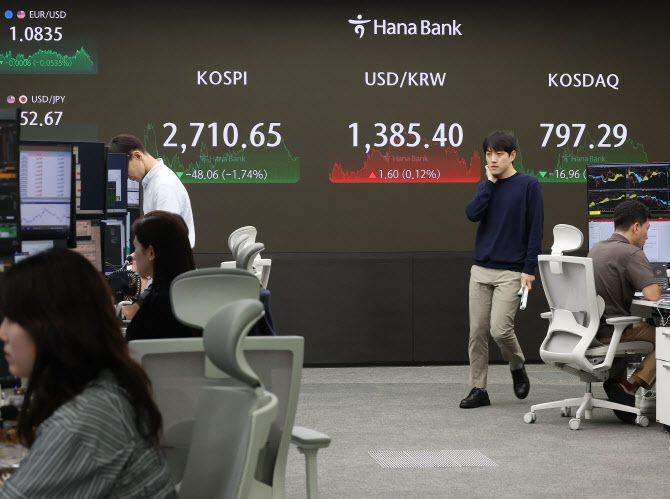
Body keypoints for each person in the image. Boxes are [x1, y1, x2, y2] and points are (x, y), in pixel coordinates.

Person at [0, 249, 176, 497]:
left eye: (13, 319)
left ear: (54, 324)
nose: (2, 332)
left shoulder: (84, 420)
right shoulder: (109, 388)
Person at [460, 130, 544, 409]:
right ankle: (478, 388)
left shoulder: (529, 185)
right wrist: (488, 184)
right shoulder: (487, 186)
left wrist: (529, 268)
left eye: (499, 154)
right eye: (488, 154)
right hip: (481, 269)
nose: (493, 159)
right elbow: (472, 214)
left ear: (512, 155)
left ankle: (517, 364)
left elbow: (535, 230)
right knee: (477, 332)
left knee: (500, 330)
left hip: (511, 272)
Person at [588, 199, 659, 422]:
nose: (647, 236)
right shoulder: (631, 253)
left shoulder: (595, 249)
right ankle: (630, 385)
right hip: (612, 332)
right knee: (667, 337)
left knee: (640, 324)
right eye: (647, 229)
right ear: (636, 227)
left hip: (591, 331)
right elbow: (653, 295)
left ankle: (618, 385)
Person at [124, 211, 201, 341]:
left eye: (136, 247)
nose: (134, 255)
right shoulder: (199, 298)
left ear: (151, 253)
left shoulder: (154, 307)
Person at [109, 134, 196, 247]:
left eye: (126, 170)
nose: (126, 177)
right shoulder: (152, 182)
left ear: (137, 156)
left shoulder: (164, 185)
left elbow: (166, 237)